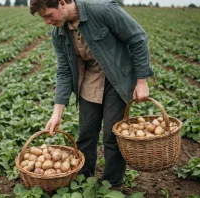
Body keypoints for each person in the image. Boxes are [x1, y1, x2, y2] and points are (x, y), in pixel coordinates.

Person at [29, 0, 154, 188]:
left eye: (48, 15)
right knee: (86, 133)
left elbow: (138, 38)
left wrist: (142, 81)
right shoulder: (59, 33)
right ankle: (83, 180)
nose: (47, 22)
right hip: (89, 79)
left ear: (62, 3)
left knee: (113, 136)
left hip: (116, 78)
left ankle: (113, 184)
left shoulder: (103, 10)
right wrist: (57, 113)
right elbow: (64, 71)